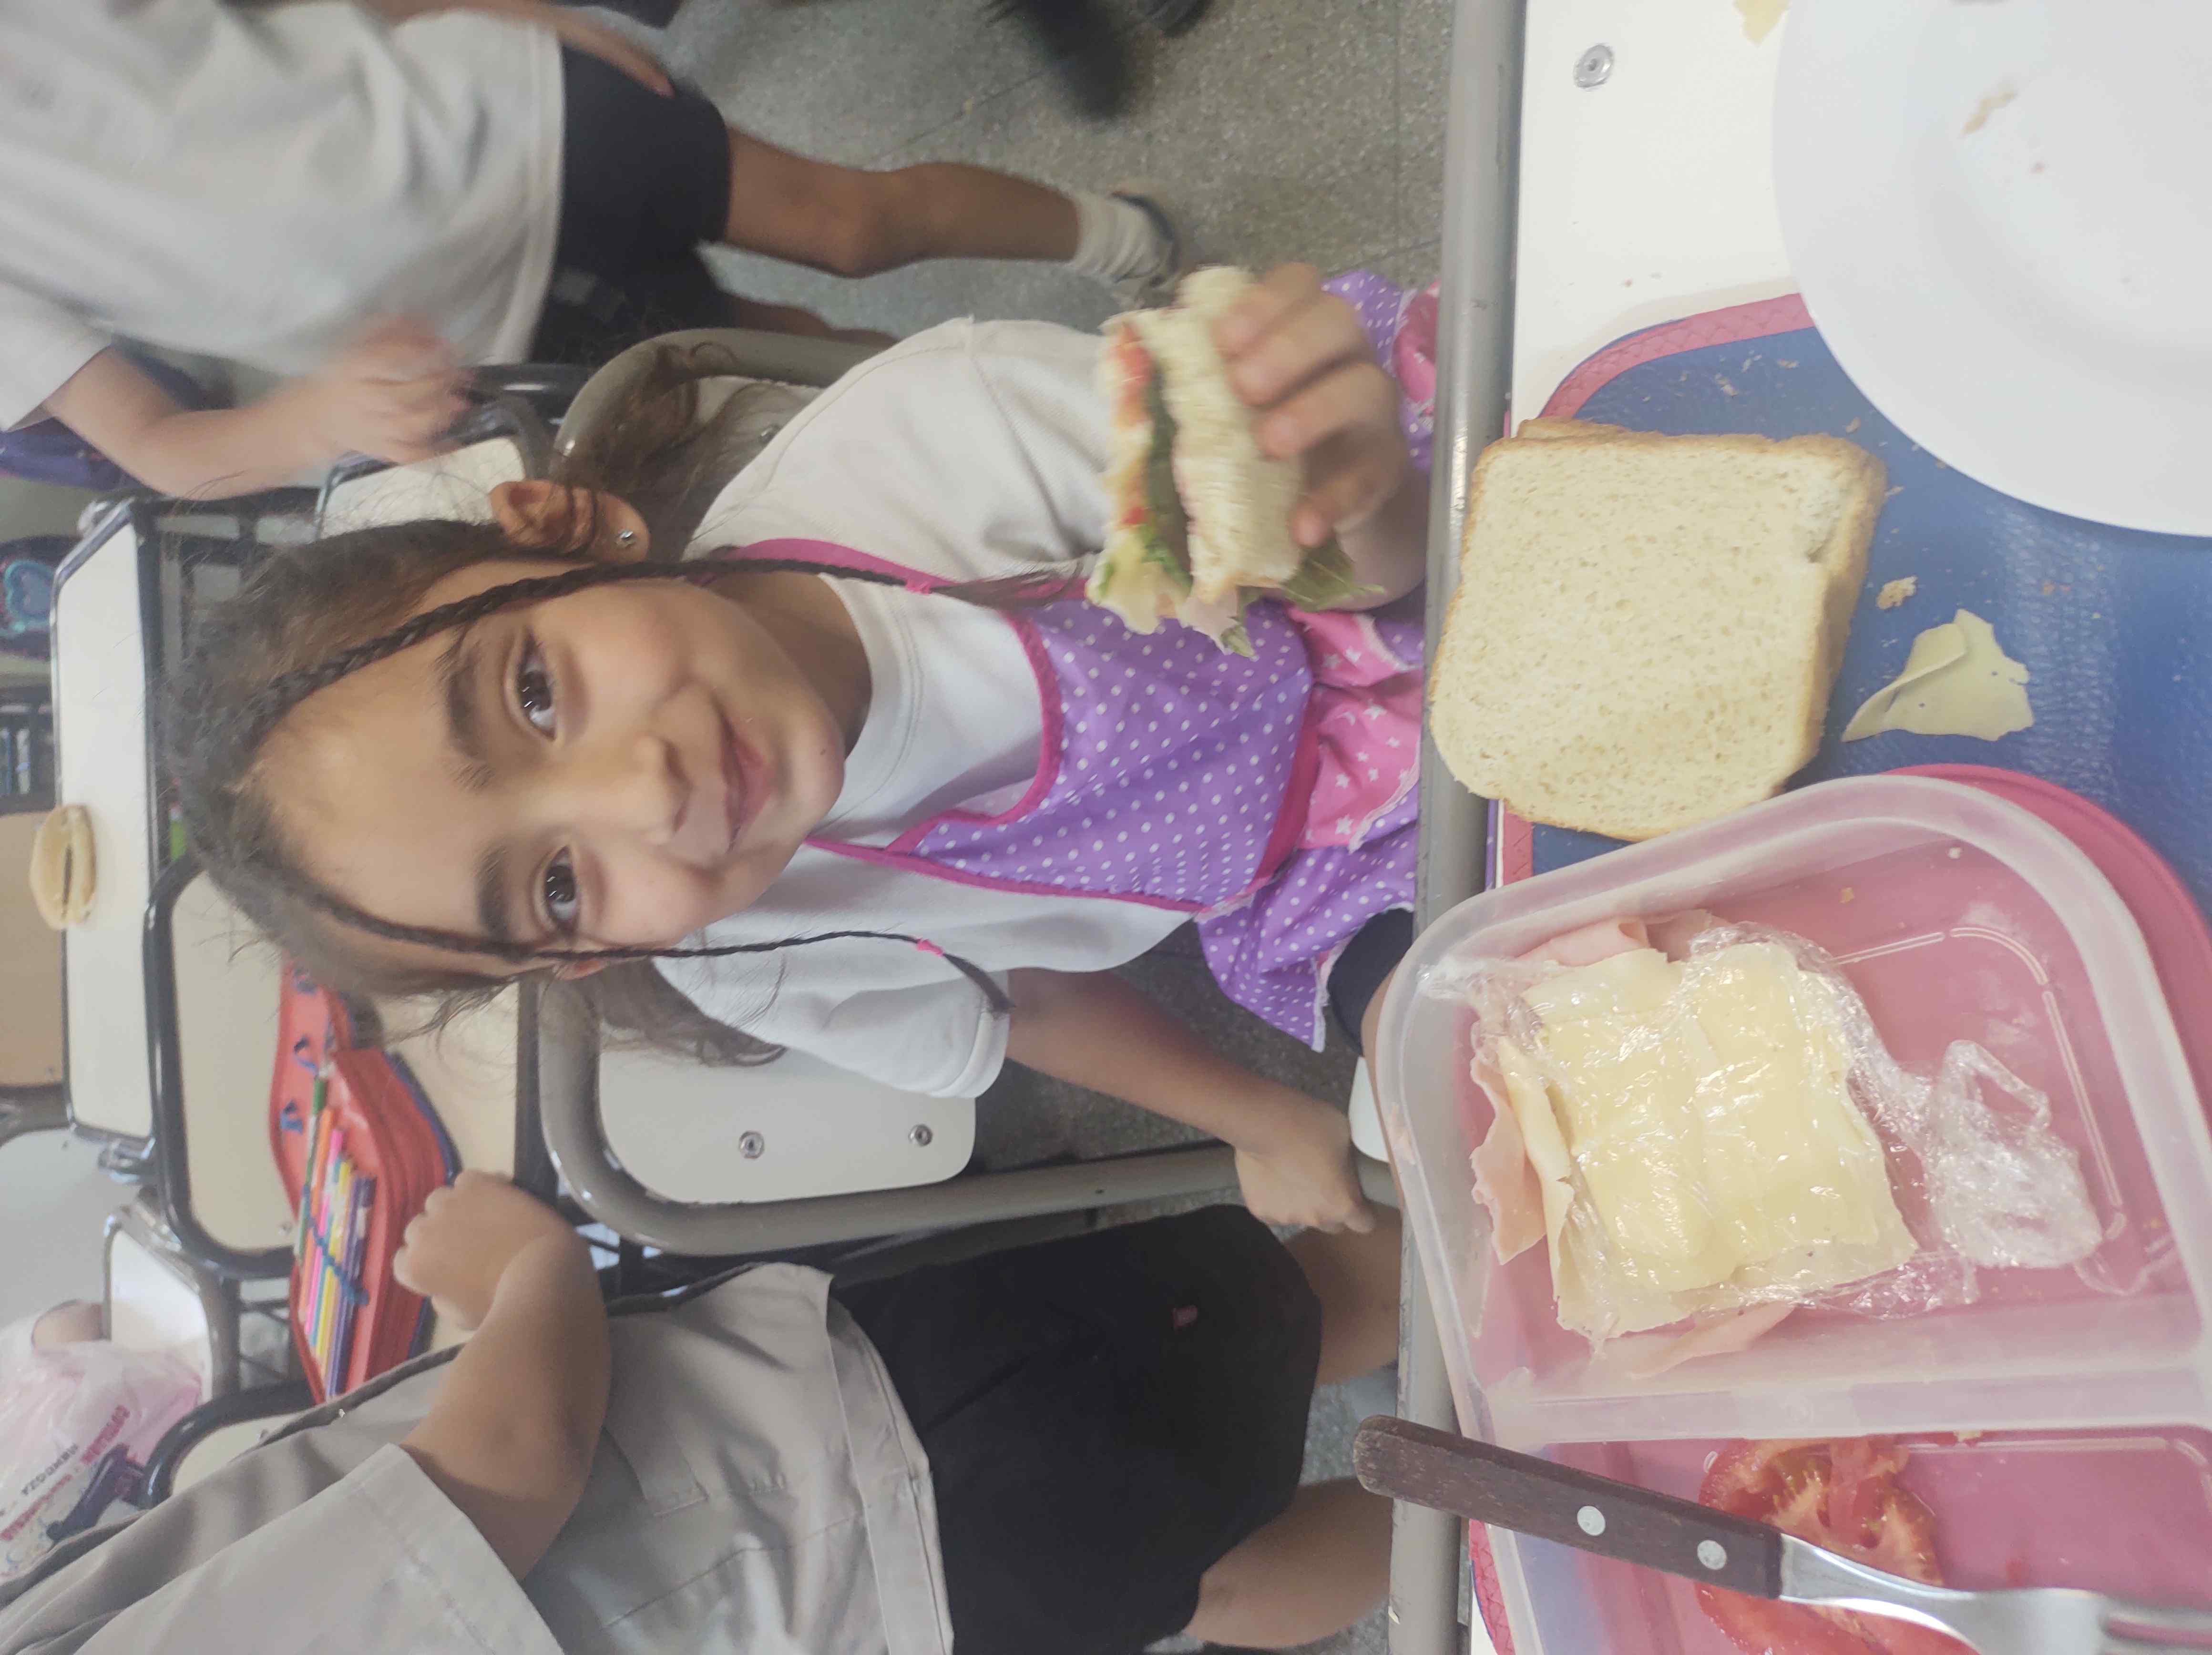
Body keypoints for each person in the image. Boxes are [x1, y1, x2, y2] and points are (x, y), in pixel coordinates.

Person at [164, 263, 1430, 1233]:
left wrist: (1352, 493)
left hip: (1381, 580)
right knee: (1464, 1083)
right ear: (585, 956)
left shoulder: (940, 435)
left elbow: (1364, 556)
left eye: (536, 693)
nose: (645, 795)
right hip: (1301, 878)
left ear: (570, 534)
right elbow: (1028, 1001)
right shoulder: (751, 962)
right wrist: (1258, 1117)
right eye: (555, 884)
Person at [0, 1171, 1404, 1653]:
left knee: (1200, 1583)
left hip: (879, 1595)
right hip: (845, 1466)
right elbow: (511, 1469)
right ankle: (1538, 1329)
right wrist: (529, 1269)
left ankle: (1514, 1513)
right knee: (1287, 1307)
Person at [0, 0, 1184, 499]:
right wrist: (313, 421)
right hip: (478, 332)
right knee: (808, 368)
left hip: (508, 115)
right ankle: (1098, 421)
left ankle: (1127, 238)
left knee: (853, 224)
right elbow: (154, 445)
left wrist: (516, 9)